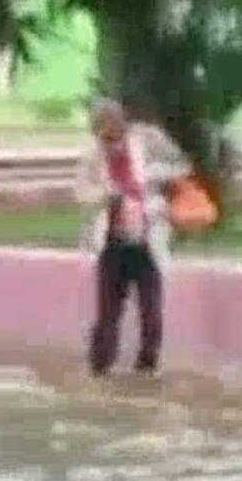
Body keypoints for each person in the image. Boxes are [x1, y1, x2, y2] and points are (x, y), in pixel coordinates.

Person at [75, 99, 187, 377]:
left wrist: (154, 178)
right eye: (103, 137)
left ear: (121, 123)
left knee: (151, 310)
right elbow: (81, 192)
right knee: (108, 313)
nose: (109, 143)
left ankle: (146, 368)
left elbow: (182, 167)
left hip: (147, 239)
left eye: (113, 134)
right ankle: (99, 368)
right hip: (113, 243)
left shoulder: (149, 140)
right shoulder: (93, 156)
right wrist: (105, 194)